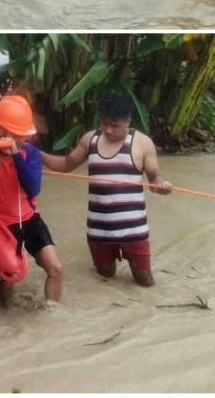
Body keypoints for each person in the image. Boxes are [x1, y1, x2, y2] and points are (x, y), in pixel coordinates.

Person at [40, 90, 171, 287]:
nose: (108, 130)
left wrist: (160, 184)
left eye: (115, 126)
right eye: (103, 123)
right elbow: (66, 164)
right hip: (98, 230)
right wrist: (37, 154)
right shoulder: (89, 140)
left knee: (144, 281)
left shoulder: (142, 143)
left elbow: (154, 177)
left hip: (133, 230)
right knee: (105, 278)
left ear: (128, 122)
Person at [0, 95, 63, 306]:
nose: (23, 139)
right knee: (6, 291)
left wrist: (14, 156)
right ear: (0, 130)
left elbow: (33, 187)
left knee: (56, 268)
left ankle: (53, 319)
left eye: (25, 134)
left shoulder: (29, 153)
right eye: (18, 134)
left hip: (29, 220)